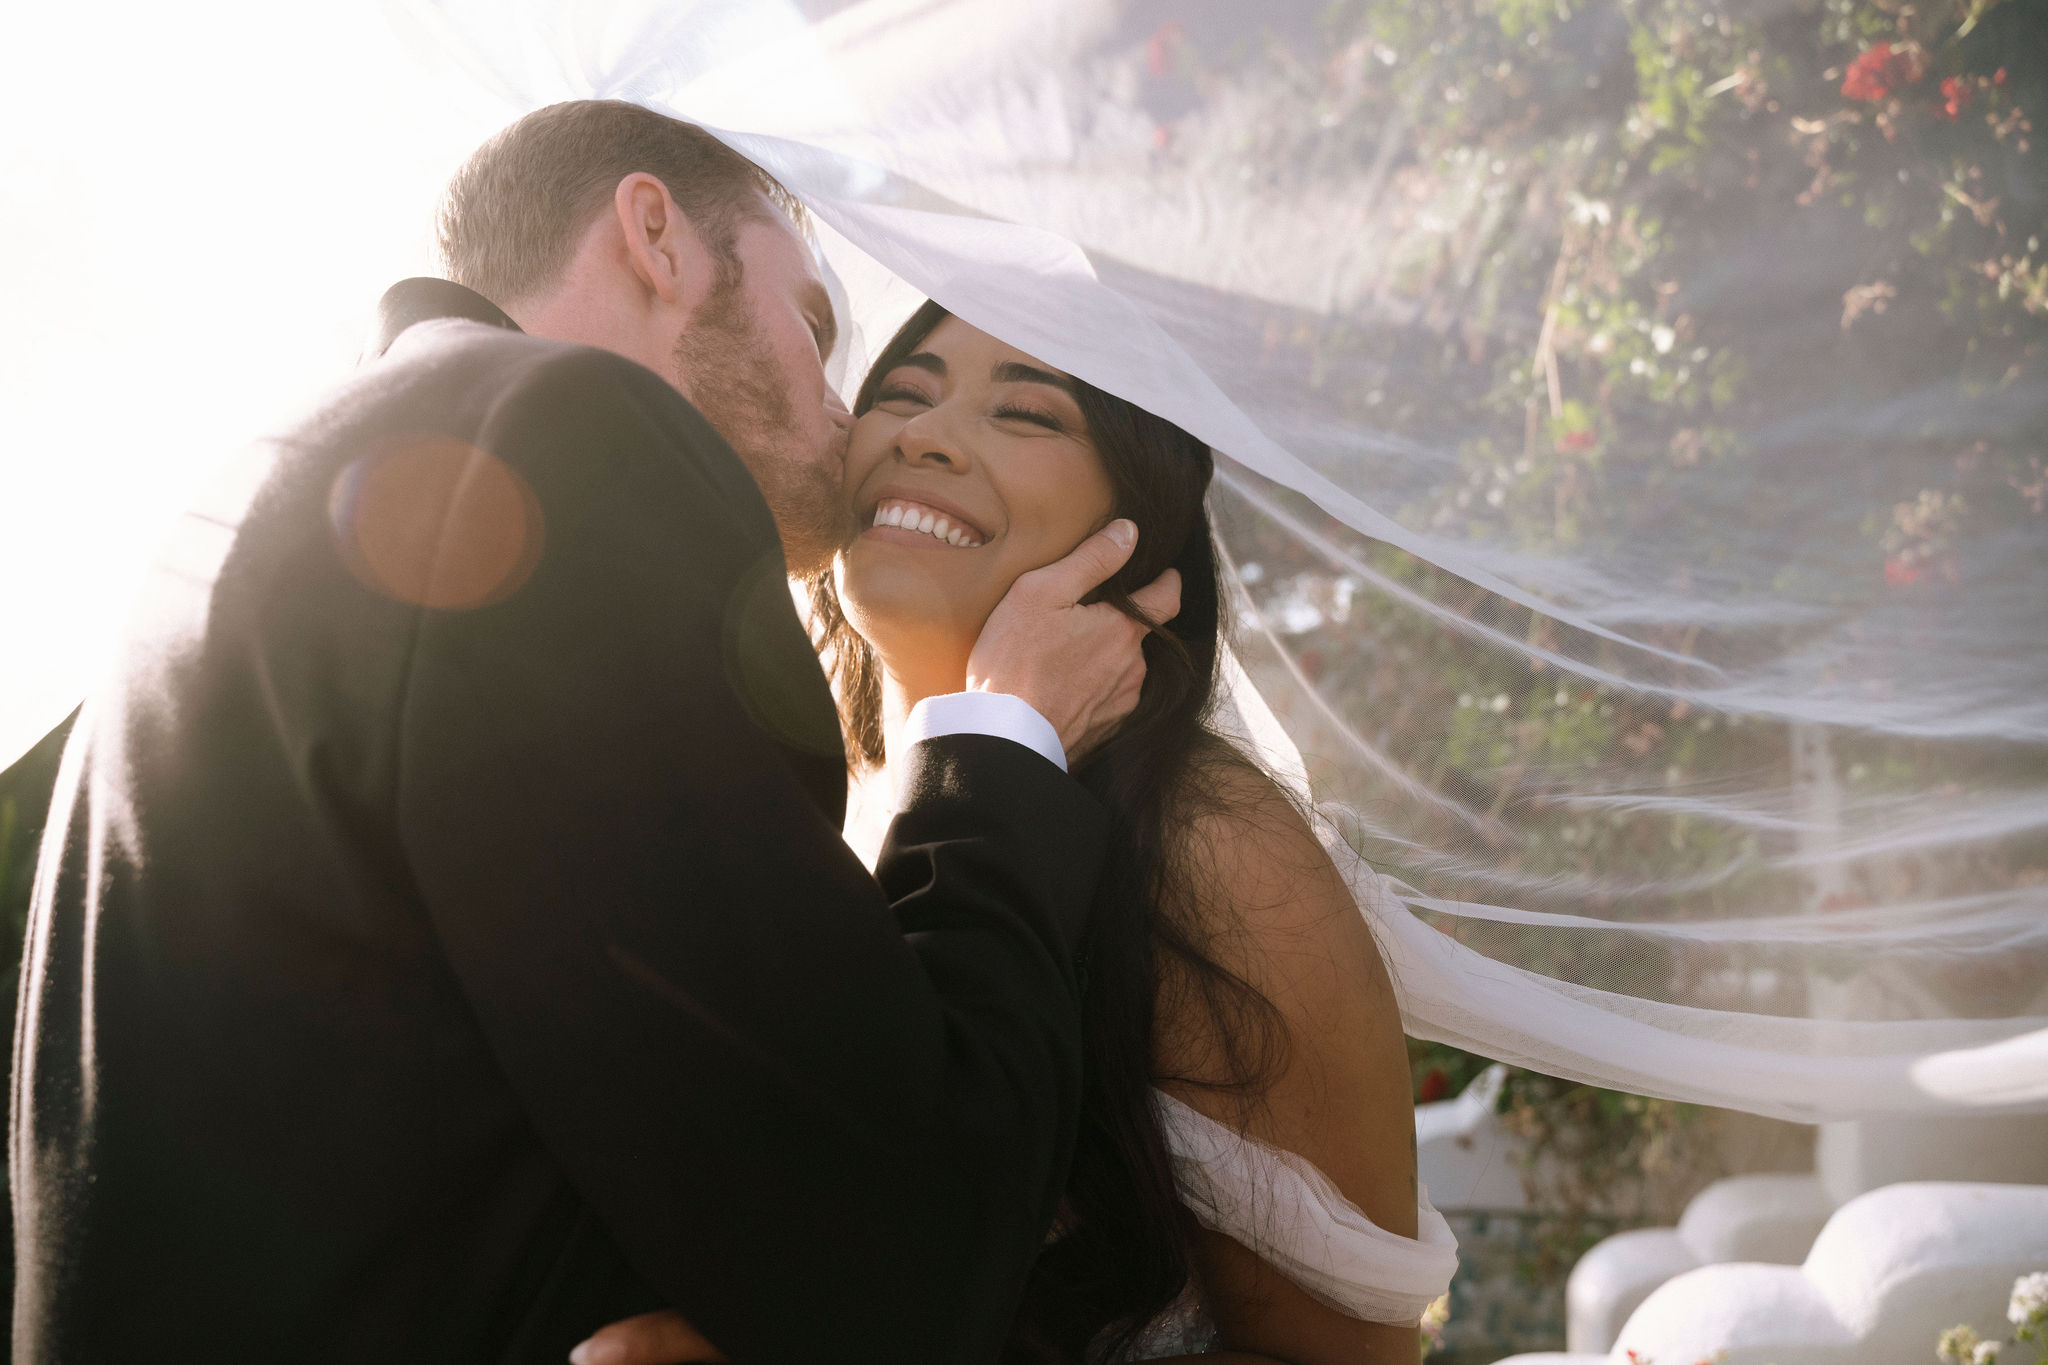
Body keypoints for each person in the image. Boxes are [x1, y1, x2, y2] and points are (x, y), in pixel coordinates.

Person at [10, 102, 1179, 1364]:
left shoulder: (263, 493)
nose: (849, 423)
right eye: (815, 327)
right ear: (655, 239)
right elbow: (898, 1246)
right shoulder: (570, 434)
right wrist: (999, 744)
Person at [574, 305, 1458, 1365]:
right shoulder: (786, 809)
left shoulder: (1205, 847)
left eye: (1025, 413)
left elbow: (1352, 1362)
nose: (923, 433)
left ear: (1135, 528)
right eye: (902, 392)